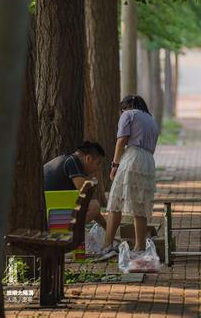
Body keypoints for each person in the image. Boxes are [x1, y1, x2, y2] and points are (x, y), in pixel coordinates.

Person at [96, 94, 159, 261]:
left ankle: (107, 245)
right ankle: (139, 247)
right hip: (148, 161)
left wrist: (115, 165)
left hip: (131, 158)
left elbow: (121, 140)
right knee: (140, 206)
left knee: (115, 203)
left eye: (122, 109)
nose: (122, 112)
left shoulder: (128, 115)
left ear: (127, 106)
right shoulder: (151, 120)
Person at [43, 141, 107, 228]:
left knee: (93, 206)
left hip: (52, 212)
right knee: (94, 205)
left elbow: (94, 212)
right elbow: (85, 193)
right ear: (88, 158)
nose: (98, 168)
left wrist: (108, 231)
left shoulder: (69, 161)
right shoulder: (72, 162)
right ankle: (71, 233)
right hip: (50, 216)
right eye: (98, 163)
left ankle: (72, 232)